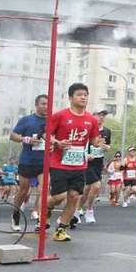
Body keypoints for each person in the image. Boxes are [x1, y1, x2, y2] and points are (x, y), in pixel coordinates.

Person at [45, 83, 102, 242]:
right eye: (79, 94)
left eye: (85, 94)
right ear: (70, 97)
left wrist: (98, 143)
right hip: (59, 162)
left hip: (79, 164)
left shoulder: (91, 119)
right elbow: (46, 135)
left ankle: (61, 229)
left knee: (74, 196)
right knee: (59, 196)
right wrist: (57, 142)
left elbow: (93, 140)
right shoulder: (60, 115)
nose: (83, 97)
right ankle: (46, 209)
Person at [9, 94, 48, 231]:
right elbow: (12, 136)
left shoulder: (52, 121)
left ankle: (40, 219)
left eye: (48, 104)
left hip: (43, 162)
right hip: (27, 160)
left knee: (43, 190)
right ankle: (15, 214)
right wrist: (26, 139)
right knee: (23, 191)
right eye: (43, 104)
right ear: (36, 105)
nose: (46, 107)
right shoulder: (27, 120)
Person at [80, 109, 111, 224]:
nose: (101, 117)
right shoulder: (87, 129)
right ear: (92, 116)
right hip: (88, 163)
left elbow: (107, 145)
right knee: (96, 186)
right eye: (99, 115)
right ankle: (89, 211)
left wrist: (106, 148)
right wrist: (86, 154)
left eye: (103, 115)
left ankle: (78, 210)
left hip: (98, 162)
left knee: (87, 190)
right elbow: (80, 144)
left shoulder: (107, 131)